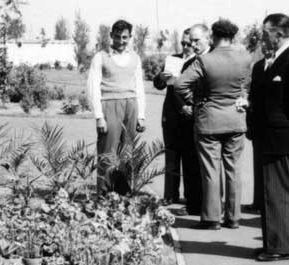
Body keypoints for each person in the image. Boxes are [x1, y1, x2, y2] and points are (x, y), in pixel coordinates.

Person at [246, 13, 289, 261]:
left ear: (279, 33)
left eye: (265, 33)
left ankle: (283, 247)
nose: (262, 37)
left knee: (281, 194)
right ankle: (274, 244)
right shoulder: (274, 59)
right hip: (269, 139)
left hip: (284, 139)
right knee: (270, 195)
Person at [175, 18, 251, 229]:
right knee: (234, 169)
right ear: (232, 36)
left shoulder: (205, 60)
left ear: (214, 37)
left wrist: (196, 100)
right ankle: (234, 217)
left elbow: (180, 84)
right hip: (236, 119)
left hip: (209, 120)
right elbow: (246, 85)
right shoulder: (244, 58)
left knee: (210, 170)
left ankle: (211, 218)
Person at [86, 19, 147, 193]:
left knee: (127, 152)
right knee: (108, 151)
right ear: (111, 36)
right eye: (118, 37)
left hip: (131, 105)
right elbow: (93, 87)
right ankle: (105, 195)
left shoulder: (135, 57)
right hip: (109, 105)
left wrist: (141, 115)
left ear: (130, 37)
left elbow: (139, 87)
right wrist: (99, 116)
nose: (121, 41)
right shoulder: (101, 57)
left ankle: (123, 194)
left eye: (125, 37)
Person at [152, 25, 207, 212]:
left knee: (191, 159)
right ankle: (170, 194)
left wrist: (189, 105)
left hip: (189, 114)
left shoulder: (200, 61)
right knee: (171, 156)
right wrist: (161, 76)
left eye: (189, 43)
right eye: (183, 43)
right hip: (171, 115)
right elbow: (159, 84)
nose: (186, 46)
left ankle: (191, 198)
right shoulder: (173, 59)